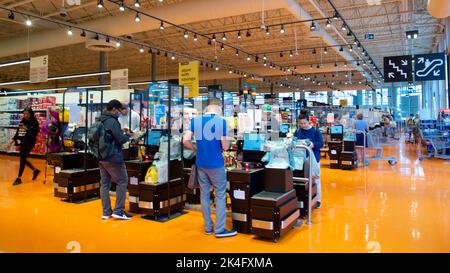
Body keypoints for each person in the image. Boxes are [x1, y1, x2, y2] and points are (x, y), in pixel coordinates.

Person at [183, 101, 237, 238]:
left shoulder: (195, 121)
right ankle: (219, 229)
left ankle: (208, 227)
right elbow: (224, 146)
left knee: (204, 195)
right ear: (218, 111)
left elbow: (185, 140)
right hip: (216, 164)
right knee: (219, 195)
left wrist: (195, 149)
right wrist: (226, 144)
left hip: (201, 163)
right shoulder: (221, 122)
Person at [98, 100, 133, 220]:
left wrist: (120, 131)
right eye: (119, 110)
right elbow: (120, 140)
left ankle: (106, 212)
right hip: (113, 156)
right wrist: (128, 135)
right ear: (114, 109)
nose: (120, 112)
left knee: (105, 184)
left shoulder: (100, 119)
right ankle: (119, 210)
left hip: (101, 156)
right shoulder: (113, 121)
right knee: (122, 181)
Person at [294, 112, 323, 208]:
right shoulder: (298, 131)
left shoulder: (315, 131)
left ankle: (318, 200)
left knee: (316, 179)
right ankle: (305, 200)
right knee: (303, 180)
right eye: (301, 123)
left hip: (314, 158)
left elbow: (321, 144)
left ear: (309, 121)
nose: (303, 125)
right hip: (300, 159)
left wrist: (313, 145)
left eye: (304, 123)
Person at [11, 107, 41, 186]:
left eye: (27, 114)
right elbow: (18, 132)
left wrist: (26, 130)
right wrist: (13, 139)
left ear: (30, 114)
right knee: (23, 158)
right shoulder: (22, 121)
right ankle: (35, 170)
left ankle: (19, 178)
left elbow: (34, 134)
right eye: (24, 114)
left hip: (30, 142)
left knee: (22, 158)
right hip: (23, 141)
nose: (25, 115)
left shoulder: (34, 122)